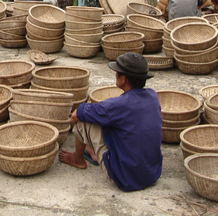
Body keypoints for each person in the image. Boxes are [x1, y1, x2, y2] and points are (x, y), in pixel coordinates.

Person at [59, 52, 162, 192]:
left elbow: (77, 114)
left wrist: (71, 120)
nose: (115, 75)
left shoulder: (118, 105)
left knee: (82, 120)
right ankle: (94, 153)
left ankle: (78, 160)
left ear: (124, 79)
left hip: (125, 178)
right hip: (151, 174)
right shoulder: (152, 96)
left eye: (117, 73)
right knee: (105, 120)